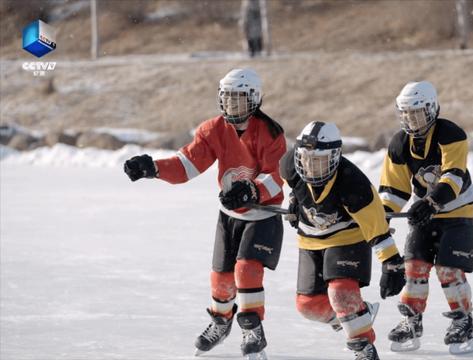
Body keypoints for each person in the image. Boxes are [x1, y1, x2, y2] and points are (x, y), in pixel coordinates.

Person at [123, 68, 286, 359]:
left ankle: (252, 328)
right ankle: (220, 322)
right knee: (221, 278)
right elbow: (187, 165)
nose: (230, 105)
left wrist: (251, 189)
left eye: (237, 98)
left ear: (254, 99)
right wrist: (153, 168)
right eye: (226, 98)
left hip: (263, 215)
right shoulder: (213, 130)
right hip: (230, 216)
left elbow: (277, 175)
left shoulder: (271, 133)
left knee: (246, 270)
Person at [280, 121, 406, 360]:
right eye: (306, 160)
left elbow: (376, 227)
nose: (311, 168)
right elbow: (291, 187)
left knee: (340, 292)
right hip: (310, 240)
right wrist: (295, 200)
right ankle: (357, 313)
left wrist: (391, 262)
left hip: (347, 238)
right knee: (307, 305)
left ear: (335, 157)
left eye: (318, 161)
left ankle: (363, 346)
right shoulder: (289, 167)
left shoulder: (353, 184)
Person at [378, 81, 473, 355]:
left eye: (417, 113)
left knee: (448, 270)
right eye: (406, 113)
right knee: (414, 266)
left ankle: (463, 321)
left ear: (432, 109)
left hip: (458, 210)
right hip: (425, 214)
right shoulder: (399, 143)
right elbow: (394, 189)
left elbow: (453, 176)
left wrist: (431, 201)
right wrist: (381, 216)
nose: (412, 119)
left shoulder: (450, 134)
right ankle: (411, 320)